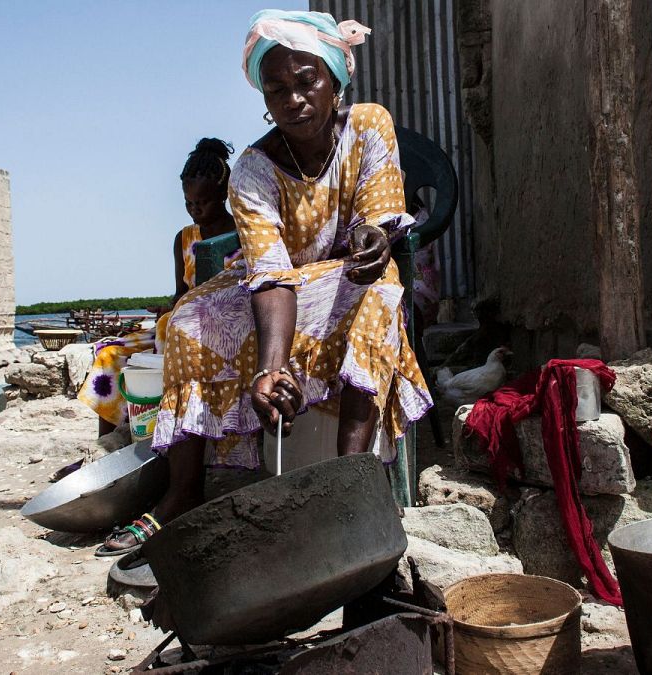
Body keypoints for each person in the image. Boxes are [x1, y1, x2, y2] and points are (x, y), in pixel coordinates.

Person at [100, 9, 432, 555]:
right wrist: (271, 368)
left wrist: (373, 236)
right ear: (264, 99)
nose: (294, 99)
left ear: (335, 81)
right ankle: (183, 493)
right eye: (277, 89)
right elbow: (272, 275)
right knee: (184, 321)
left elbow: (377, 210)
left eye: (308, 82)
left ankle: (352, 481)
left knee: (379, 295)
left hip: (348, 273)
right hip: (276, 285)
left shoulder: (370, 123)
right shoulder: (253, 169)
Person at [78, 139, 239, 437]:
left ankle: (167, 431)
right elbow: (181, 292)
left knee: (165, 334)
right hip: (176, 325)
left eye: (202, 202)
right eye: (188, 203)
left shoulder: (242, 234)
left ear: (223, 194)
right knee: (108, 354)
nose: (195, 210)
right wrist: (170, 306)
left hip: (221, 331)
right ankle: (111, 442)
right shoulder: (185, 238)